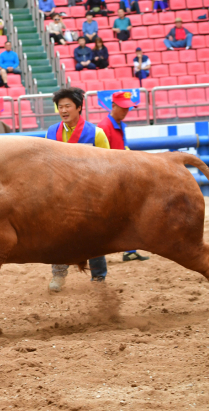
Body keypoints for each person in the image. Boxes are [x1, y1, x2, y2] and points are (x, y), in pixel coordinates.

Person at [46, 87, 110, 291]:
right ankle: (58, 275)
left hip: (89, 194)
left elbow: (109, 165)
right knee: (57, 235)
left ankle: (99, 277)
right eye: (60, 106)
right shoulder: (50, 132)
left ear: (79, 107)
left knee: (94, 235)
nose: (63, 110)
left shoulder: (96, 133)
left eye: (67, 106)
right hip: (60, 194)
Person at [96, 91, 150, 262]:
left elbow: (120, 150)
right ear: (113, 106)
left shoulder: (117, 125)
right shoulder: (105, 127)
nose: (126, 111)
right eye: (123, 108)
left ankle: (130, 249)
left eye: (128, 108)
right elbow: (102, 155)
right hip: (111, 179)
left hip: (119, 176)